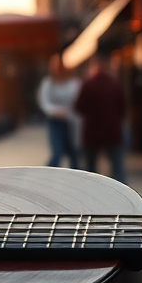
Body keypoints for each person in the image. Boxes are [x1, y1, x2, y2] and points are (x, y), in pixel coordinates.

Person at [74, 50, 127, 183]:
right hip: (112, 131)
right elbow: (122, 108)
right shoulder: (115, 85)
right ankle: (122, 191)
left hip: (92, 132)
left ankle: (91, 191)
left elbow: (78, 107)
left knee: (90, 169)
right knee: (117, 168)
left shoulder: (88, 85)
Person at [37, 54, 82, 169]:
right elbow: (44, 102)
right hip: (55, 121)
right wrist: (55, 111)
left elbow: (78, 101)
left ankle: (75, 178)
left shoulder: (74, 83)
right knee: (57, 153)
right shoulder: (48, 83)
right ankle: (46, 174)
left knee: (74, 153)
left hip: (72, 122)